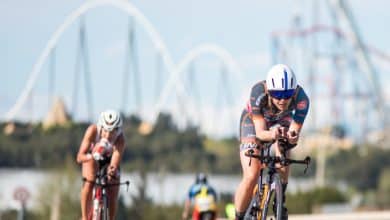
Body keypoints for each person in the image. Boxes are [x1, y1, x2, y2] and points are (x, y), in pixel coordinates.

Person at [234, 64, 310, 220]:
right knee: (251, 175)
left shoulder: (302, 99)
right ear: (269, 91)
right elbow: (261, 133)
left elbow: (294, 132)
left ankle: (280, 196)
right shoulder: (258, 92)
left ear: (294, 91)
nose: (282, 100)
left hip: (282, 120)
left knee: (284, 148)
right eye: (277, 94)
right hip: (254, 122)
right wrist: (273, 134)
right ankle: (238, 217)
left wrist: (291, 137)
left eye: (287, 94)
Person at [76, 110, 125, 220]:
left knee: (113, 189)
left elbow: (114, 162)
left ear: (117, 131)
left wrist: (112, 171)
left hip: (109, 160)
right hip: (92, 157)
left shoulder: (120, 139)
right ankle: (84, 217)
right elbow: (79, 157)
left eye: (112, 132)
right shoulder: (92, 130)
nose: (108, 136)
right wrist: (90, 157)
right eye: (106, 131)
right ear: (100, 127)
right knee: (89, 182)